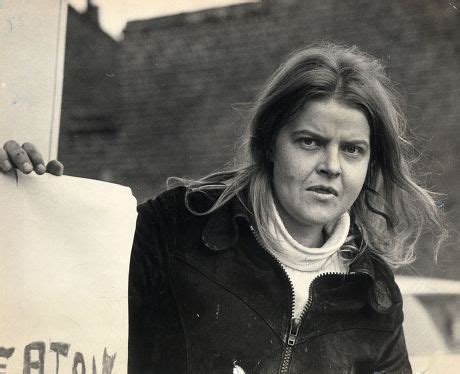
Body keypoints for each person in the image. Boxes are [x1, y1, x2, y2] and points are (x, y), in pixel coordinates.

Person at [2, 43, 447, 373]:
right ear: (270, 144)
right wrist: (29, 202)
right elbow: (52, 310)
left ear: (370, 165)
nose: (331, 166)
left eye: (352, 150)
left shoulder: (373, 290)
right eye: (310, 142)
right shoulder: (177, 227)